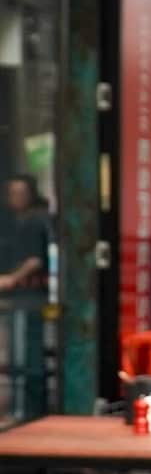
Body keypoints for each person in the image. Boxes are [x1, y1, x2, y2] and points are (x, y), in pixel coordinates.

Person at [0, 173, 50, 419]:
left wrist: (11, 279)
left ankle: (29, 412)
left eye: (20, 193)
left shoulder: (34, 222)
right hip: (23, 297)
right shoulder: (18, 222)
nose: (15, 198)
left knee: (28, 358)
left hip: (30, 298)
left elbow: (34, 260)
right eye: (12, 193)